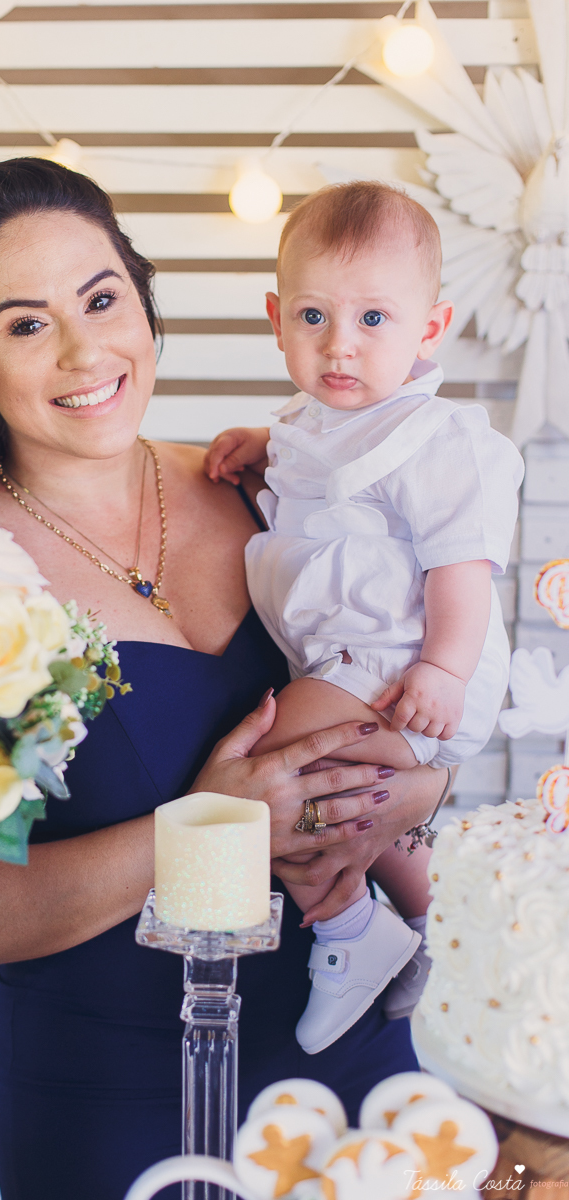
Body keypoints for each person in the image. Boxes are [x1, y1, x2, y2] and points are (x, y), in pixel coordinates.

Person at [0, 159, 448, 1200]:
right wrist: (204, 826)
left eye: (101, 297)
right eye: (26, 323)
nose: (87, 350)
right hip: (117, 1102)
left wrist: (406, 797)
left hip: (357, 1073)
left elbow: (409, 707)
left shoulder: (272, 485)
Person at [205, 182, 524, 1057]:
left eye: (374, 320)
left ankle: (351, 928)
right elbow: (328, 466)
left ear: (430, 328)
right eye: (313, 315)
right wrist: (263, 444)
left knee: (265, 770)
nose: (340, 345)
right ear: (277, 318)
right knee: (325, 801)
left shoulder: (438, 440)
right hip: (352, 657)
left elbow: (461, 565)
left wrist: (445, 671)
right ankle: (431, 925)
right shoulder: (315, 423)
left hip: (402, 662)